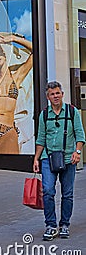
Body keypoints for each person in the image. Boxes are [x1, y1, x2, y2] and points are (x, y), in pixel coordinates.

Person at [33, 81, 85, 241]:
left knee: (67, 194)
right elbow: (41, 138)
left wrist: (77, 152)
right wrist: (36, 159)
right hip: (48, 158)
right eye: (52, 94)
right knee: (48, 192)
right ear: (48, 97)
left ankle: (64, 225)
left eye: (57, 93)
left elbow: (80, 135)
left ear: (62, 94)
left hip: (69, 158)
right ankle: (51, 225)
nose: (55, 96)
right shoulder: (44, 114)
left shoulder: (72, 111)